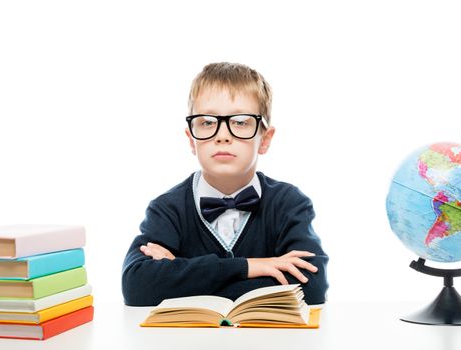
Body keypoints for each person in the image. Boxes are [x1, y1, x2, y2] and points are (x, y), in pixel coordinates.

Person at [122, 62, 328, 306]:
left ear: (265, 139)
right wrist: (249, 266)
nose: (223, 135)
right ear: (191, 140)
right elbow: (137, 286)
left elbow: (311, 287)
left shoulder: (289, 203)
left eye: (240, 122)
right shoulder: (167, 208)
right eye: (207, 122)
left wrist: (180, 275)